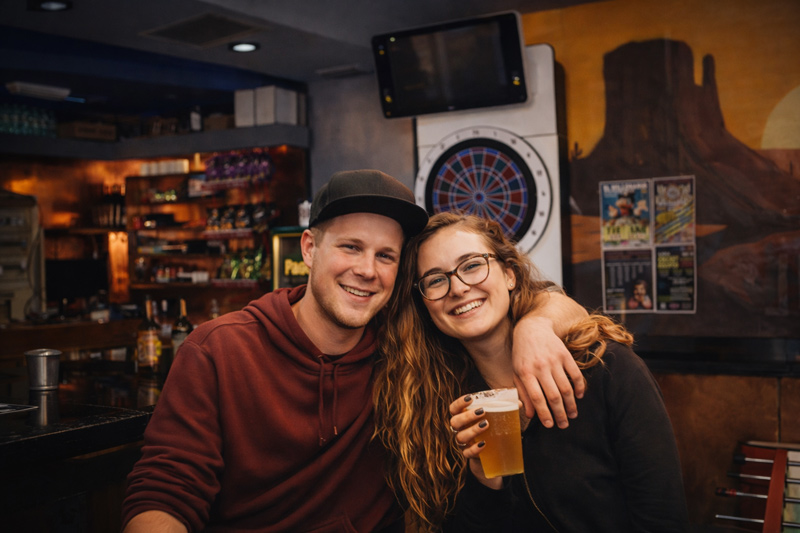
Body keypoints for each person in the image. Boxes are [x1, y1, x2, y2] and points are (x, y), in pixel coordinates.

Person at [121, 170, 588, 532]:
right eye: (350, 247)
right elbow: (165, 491)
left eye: (386, 256)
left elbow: (537, 297)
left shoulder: (407, 345)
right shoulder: (218, 350)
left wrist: (537, 324)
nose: (368, 270)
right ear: (308, 248)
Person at [373, 212, 688, 532]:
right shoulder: (439, 405)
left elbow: (662, 519)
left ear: (509, 274)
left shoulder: (608, 370)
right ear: (426, 304)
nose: (457, 288)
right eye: (436, 279)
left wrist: (537, 323)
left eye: (471, 265)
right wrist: (484, 482)